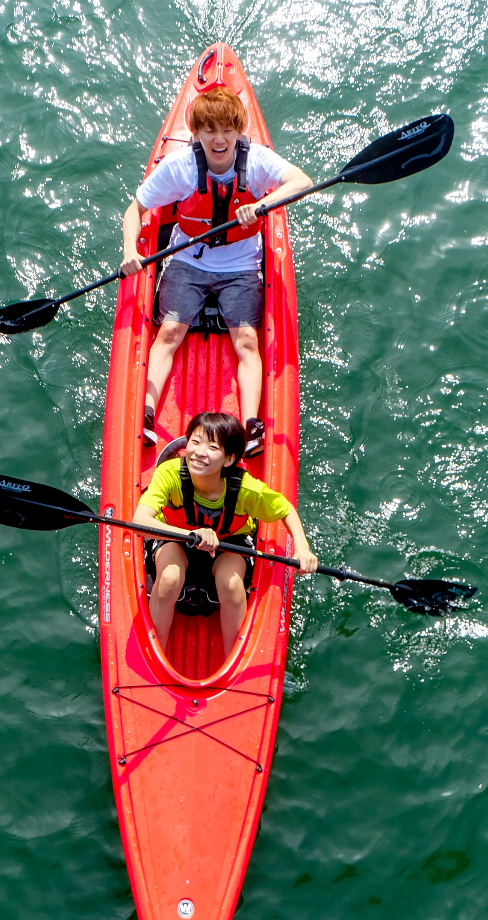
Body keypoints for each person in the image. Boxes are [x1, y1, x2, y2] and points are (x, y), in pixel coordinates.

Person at [120, 87, 313, 457]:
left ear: (240, 131)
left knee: (246, 341)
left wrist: (261, 204)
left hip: (241, 265)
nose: (219, 139)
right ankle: (146, 413)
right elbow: (135, 211)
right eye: (209, 130)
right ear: (196, 134)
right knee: (170, 331)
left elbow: (300, 182)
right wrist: (131, 252)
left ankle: (251, 425)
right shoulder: (179, 167)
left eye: (227, 129)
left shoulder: (256, 161)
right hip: (188, 260)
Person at [133, 412, 319, 658]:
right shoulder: (169, 474)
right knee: (168, 578)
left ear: (229, 459)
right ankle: (155, 655)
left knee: (231, 584)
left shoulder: (245, 488)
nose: (200, 452)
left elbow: (285, 509)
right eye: (195, 442)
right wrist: (191, 534)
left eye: (212, 447)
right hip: (174, 537)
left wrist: (302, 548)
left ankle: (235, 660)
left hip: (229, 544)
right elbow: (140, 521)